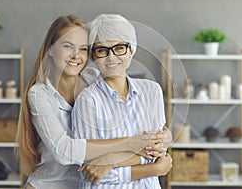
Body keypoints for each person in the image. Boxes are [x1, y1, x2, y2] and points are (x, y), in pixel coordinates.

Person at [16, 15, 171, 189]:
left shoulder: (94, 79)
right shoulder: (40, 94)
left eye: (82, 49)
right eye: (67, 46)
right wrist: (134, 145)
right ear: (50, 49)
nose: (76, 55)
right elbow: (64, 151)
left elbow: (147, 132)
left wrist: (164, 140)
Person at [72, 14, 172, 188]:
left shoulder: (152, 91)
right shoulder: (88, 100)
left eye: (119, 48)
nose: (111, 57)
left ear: (131, 49)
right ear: (93, 56)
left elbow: (156, 153)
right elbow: (92, 172)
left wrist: (111, 160)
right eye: (102, 50)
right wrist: (153, 169)